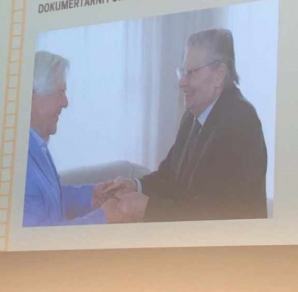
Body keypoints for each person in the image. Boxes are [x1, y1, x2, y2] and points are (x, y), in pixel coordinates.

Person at [95, 29, 268, 223]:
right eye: (183, 72)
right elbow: (170, 177)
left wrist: (148, 208)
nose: (182, 83)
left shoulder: (240, 122)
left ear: (219, 75)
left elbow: (217, 213)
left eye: (191, 73)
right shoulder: (194, 116)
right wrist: (136, 186)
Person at [23, 50, 109, 226]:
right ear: (32, 95)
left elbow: (45, 199)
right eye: (60, 92)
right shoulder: (18, 162)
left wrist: (91, 196)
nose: (65, 102)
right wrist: (105, 218)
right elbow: (40, 237)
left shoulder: (35, 143)